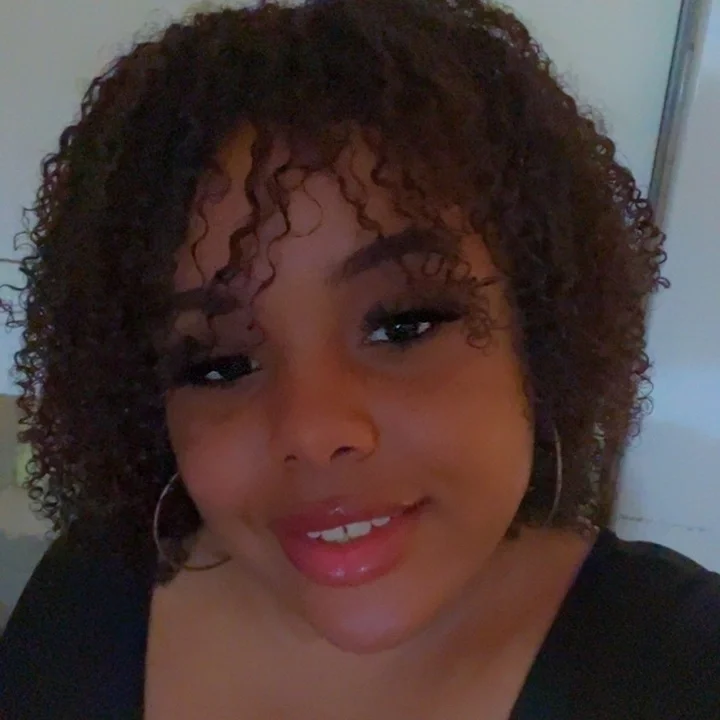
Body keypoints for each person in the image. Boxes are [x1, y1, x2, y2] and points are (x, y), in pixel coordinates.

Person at [0, 0, 718, 717]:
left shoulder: (686, 666)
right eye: (218, 365)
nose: (313, 431)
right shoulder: (90, 599)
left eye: (404, 326)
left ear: (539, 333)